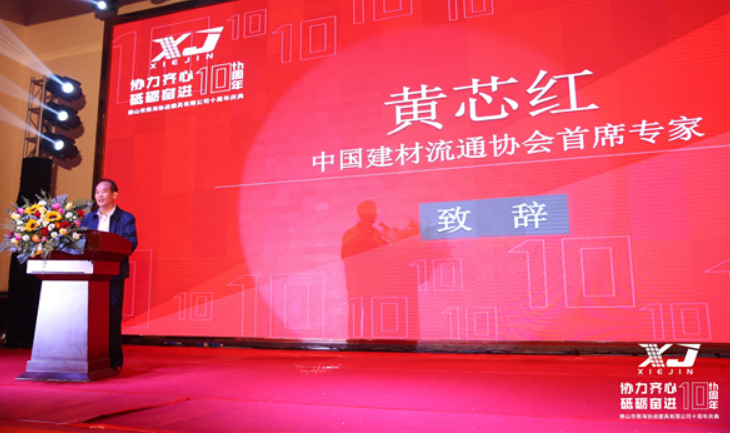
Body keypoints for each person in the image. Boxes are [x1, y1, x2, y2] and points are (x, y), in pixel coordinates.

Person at [81, 178, 138, 372]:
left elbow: (130, 243)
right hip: (90, 274)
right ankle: (90, 357)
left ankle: (114, 360)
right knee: (89, 317)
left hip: (114, 274)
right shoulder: (88, 219)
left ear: (114, 194)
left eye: (104, 191)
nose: (99, 195)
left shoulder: (126, 218)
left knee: (112, 317)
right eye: (97, 192)